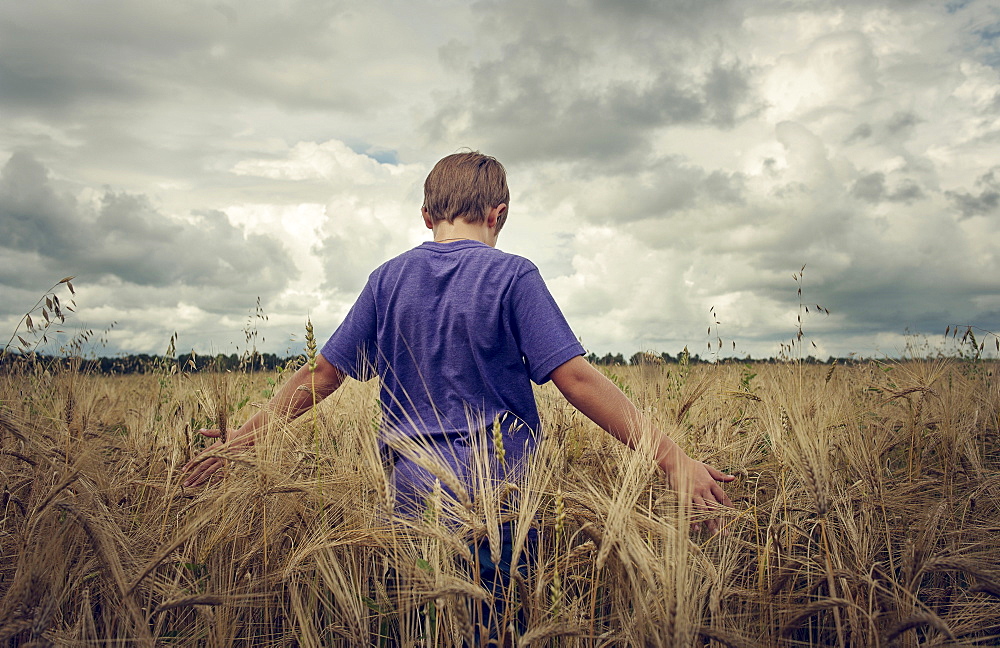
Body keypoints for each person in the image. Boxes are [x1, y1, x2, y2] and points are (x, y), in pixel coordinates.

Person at [182, 150, 734, 636]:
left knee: (427, 628)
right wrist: (671, 457)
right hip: (505, 498)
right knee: (500, 628)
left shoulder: (387, 279)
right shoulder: (515, 277)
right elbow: (577, 380)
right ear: (500, 216)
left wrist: (243, 440)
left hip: (412, 499)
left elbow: (321, 376)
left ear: (426, 217)